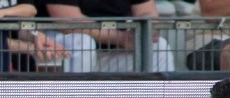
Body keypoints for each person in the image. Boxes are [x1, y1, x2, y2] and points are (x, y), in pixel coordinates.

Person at [39, 0, 174, 72]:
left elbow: (147, 12)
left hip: (114, 52)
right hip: (65, 48)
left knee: (159, 46)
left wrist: (148, 30)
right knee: (82, 42)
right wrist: (120, 38)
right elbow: (67, 20)